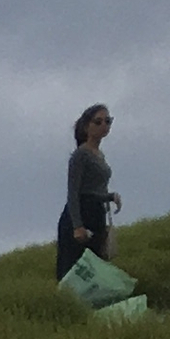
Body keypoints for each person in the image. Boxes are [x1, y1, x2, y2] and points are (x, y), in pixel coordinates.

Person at [57, 105, 116, 277]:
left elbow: (93, 189)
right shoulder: (81, 155)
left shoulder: (99, 154)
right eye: (98, 122)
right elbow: (74, 192)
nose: (104, 125)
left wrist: (110, 196)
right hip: (81, 213)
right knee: (74, 267)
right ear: (86, 126)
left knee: (95, 266)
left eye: (108, 121)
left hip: (97, 212)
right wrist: (77, 226)